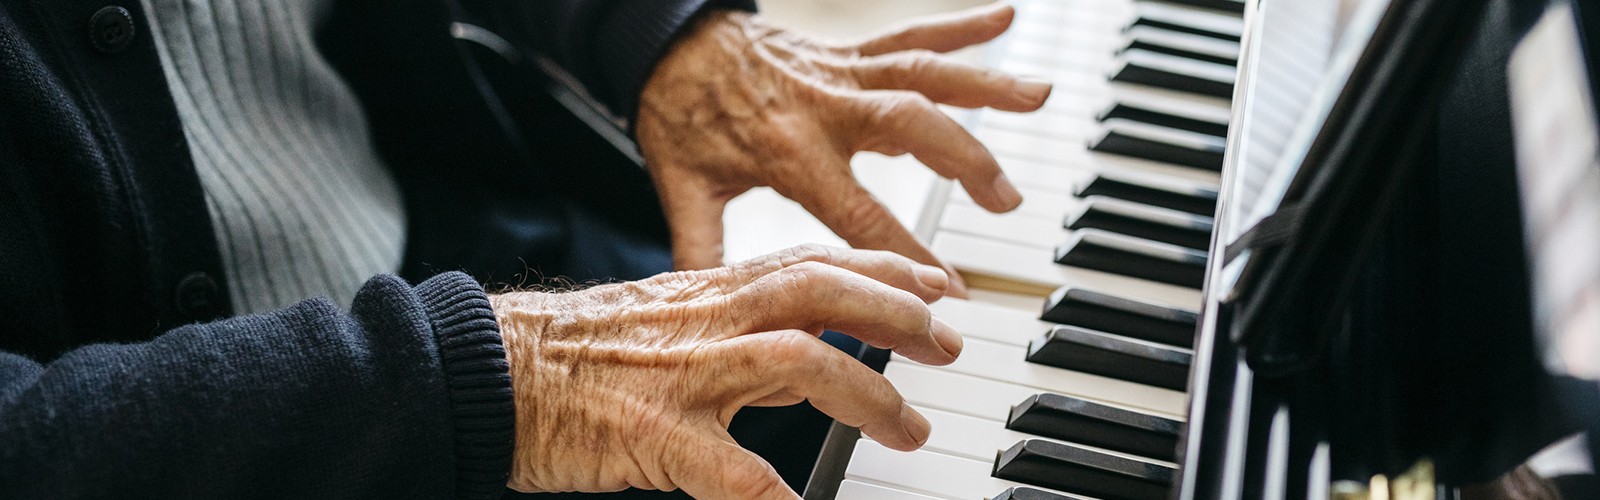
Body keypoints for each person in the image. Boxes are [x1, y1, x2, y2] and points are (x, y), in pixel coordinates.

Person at [0, 0, 1048, 498]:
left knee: (903, 384)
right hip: (330, 416)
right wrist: (501, 382)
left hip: (468, 267)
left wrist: (653, 32)